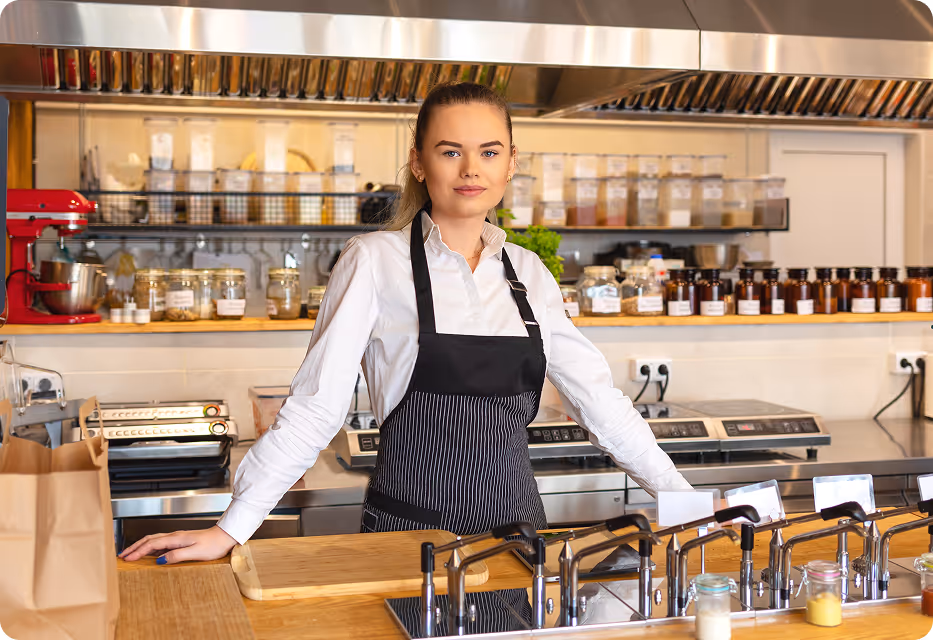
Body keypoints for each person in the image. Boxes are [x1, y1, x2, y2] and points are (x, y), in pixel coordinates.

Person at [119, 82, 692, 565]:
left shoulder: (529, 273)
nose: (471, 169)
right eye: (450, 152)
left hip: (517, 546)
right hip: (408, 542)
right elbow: (317, 407)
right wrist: (233, 526)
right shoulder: (374, 260)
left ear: (511, 162)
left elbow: (601, 403)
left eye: (490, 153)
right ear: (419, 161)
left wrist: (684, 500)